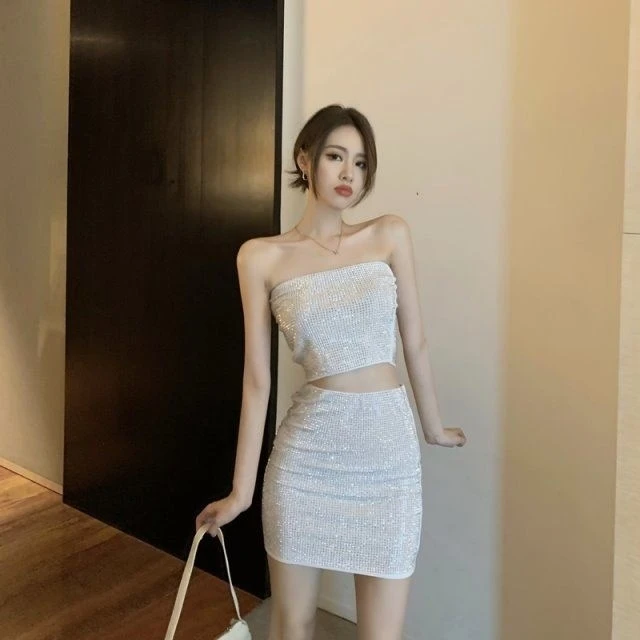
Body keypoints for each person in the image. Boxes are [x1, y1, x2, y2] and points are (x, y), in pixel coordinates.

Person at [196, 104, 467, 640]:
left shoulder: (389, 234)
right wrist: (241, 492)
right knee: (293, 627)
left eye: (361, 163)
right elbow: (257, 381)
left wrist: (433, 427)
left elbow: (414, 341)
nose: (349, 174)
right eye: (336, 157)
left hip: (388, 462)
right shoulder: (260, 257)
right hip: (306, 463)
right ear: (305, 159)